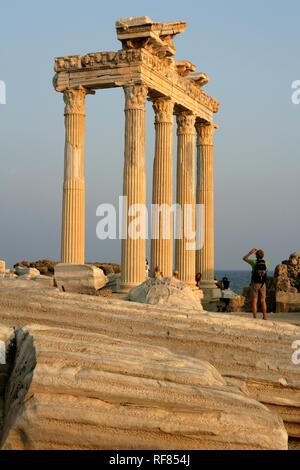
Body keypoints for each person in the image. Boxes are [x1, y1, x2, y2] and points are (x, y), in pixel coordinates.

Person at [243, 248, 268, 320]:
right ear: (263, 256)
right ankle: (265, 316)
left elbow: (244, 258)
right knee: (263, 300)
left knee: (254, 300)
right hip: (263, 283)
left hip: (255, 283)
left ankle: (255, 317)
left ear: (256, 256)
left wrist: (250, 252)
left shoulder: (254, 262)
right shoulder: (266, 262)